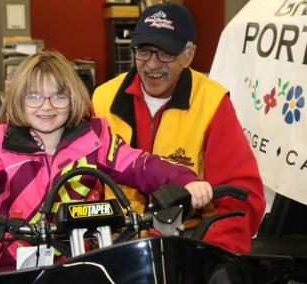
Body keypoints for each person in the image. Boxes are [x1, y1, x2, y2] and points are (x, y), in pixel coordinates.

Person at [0, 50, 213, 272]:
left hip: (87, 261)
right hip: (15, 263)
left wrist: (183, 180)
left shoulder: (96, 136)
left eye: (59, 96)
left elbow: (140, 164)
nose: (47, 106)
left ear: (73, 99)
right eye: (34, 96)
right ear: (17, 99)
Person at [92, 3, 265, 254]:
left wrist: (212, 255)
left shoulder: (212, 102)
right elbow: (84, 183)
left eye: (165, 53)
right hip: (114, 242)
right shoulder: (101, 99)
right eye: (144, 51)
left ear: (189, 54)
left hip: (188, 243)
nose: (151, 65)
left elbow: (242, 197)